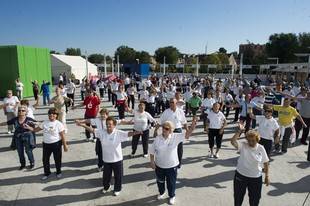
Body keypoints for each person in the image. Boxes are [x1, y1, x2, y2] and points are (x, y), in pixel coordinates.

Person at [76, 117, 141, 196]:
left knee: (118, 176)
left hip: (117, 160)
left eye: (110, 124)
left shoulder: (118, 133)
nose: (108, 126)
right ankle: (106, 187)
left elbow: (128, 133)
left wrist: (136, 132)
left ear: (114, 125)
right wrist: (82, 125)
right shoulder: (102, 132)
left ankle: (117, 189)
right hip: (106, 160)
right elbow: (92, 130)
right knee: (106, 177)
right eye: (107, 124)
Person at [150, 119, 196, 205]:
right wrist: (152, 161)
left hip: (172, 166)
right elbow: (152, 151)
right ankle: (162, 192)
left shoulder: (176, 136)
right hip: (159, 166)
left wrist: (192, 127)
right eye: (163, 127)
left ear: (171, 130)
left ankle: (171, 196)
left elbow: (187, 135)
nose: (164, 130)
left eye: (167, 128)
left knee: (171, 183)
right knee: (160, 181)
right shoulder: (158, 138)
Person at [231, 126, 270, 206]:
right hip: (241, 176)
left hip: (255, 178)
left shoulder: (261, 148)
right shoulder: (243, 145)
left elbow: (266, 163)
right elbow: (233, 141)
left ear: (257, 140)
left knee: (255, 200)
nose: (251, 143)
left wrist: (267, 176)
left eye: (253, 141)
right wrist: (239, 131)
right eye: (249, 140)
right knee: (238, 198)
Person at [28, 108, 68, 180]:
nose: (51, 115)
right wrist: (28, 127)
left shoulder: (59, 124)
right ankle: (47, 173)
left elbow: (62, 135)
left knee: (57, 159)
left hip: (56, 144)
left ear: (56, 115)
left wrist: (65, 145)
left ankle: (58, 172)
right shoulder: (45, 122)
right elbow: (35, 130)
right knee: (45, 159)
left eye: (53, 114)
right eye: (50, 114)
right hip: (46, 144)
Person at [0, 105, 36, 170]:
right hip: (18, 137)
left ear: (26, 112)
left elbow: (35, 128)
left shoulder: (29, 120)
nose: (21, 112)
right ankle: (22, 164)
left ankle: (32, 163)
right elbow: (7, 123)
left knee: (28, 151)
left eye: (23, 110)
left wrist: (28, 127)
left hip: (27, 137)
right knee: (20, 152)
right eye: (19, 110)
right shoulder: (15, 119)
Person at [160, 98, 188, 168]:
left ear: (176, 103)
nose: (171, 103)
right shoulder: (166, 111)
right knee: (168, 147)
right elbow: (161, 121)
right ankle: (169, 162)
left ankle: (179, 163)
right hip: (169, 131)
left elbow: (184, 122)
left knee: (179, 148)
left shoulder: (180, 111)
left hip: (178, 130)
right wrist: (158, 130)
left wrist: (187, 130)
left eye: (172, 102)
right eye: (170, 102)